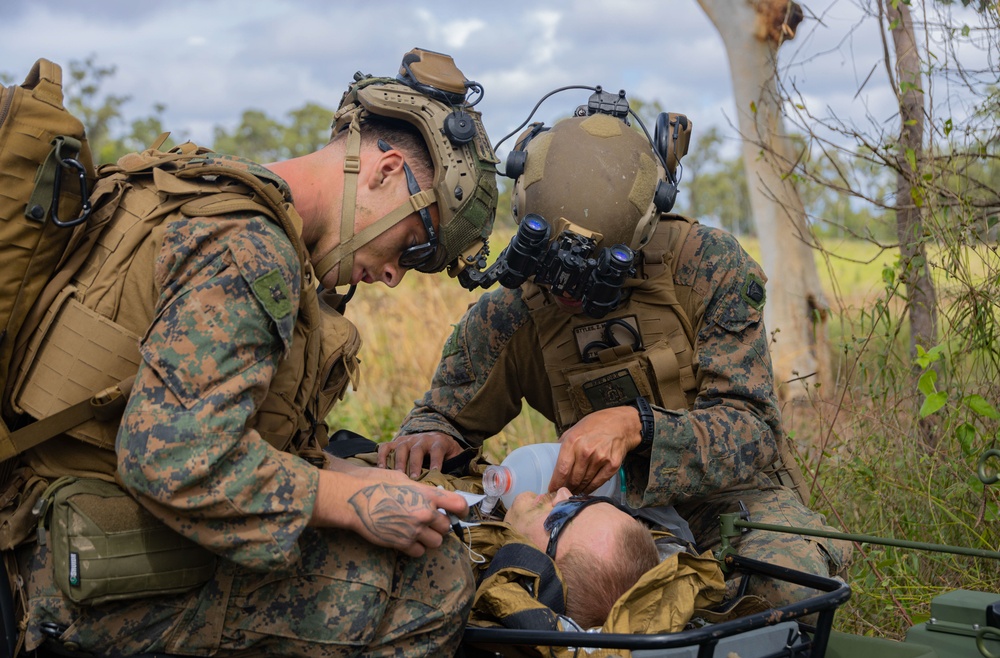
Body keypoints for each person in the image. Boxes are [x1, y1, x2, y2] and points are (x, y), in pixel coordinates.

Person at [2, 48, 499, 657]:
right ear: (386, 170)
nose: (397, 274)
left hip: (51, 507)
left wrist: (357, 476)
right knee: (437, 579)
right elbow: (174, 460)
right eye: (417, 244)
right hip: (66, 567)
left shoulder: (198, 189)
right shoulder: (249, 247)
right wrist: (351, 501)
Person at [378, 104, 852, 608]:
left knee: (790, 586)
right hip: (589, 511)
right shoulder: (511, 312)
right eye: (549, 268)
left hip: (727, 500)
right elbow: (443, 417)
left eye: (591, 277)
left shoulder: (707, 268)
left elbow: (753, 430)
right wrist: (430, 435)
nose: (565, 293)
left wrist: (638, 425)